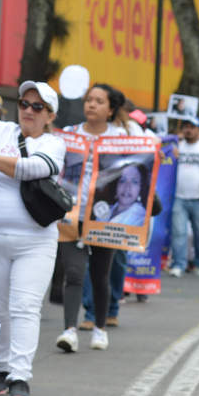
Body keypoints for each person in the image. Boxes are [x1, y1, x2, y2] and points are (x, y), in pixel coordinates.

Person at [0, 80, 65, 396]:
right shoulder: (0, 130)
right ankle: (2, 370)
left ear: (49, 115)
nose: (28, 111)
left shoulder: (54, 143)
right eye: (24, 103)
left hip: (35, 241)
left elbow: (35, 169)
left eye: (37, 107)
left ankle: (21, 375)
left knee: (24, 307)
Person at [57, 83, 128, 352]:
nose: (91, 105)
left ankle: (99, 328)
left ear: (110, 110)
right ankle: (69, 331)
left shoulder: (121, 137)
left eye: (99, 101)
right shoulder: (70, 135)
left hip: (105, 215)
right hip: (71, 212)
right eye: (89, 100)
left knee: (100, 275)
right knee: (74, 273)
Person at [166, 116, 199, 278]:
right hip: (179, 197)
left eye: (192, 127)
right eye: (185, 127)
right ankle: (178, 264)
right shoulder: (177, 147)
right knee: (178, 233)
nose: (188, 130)